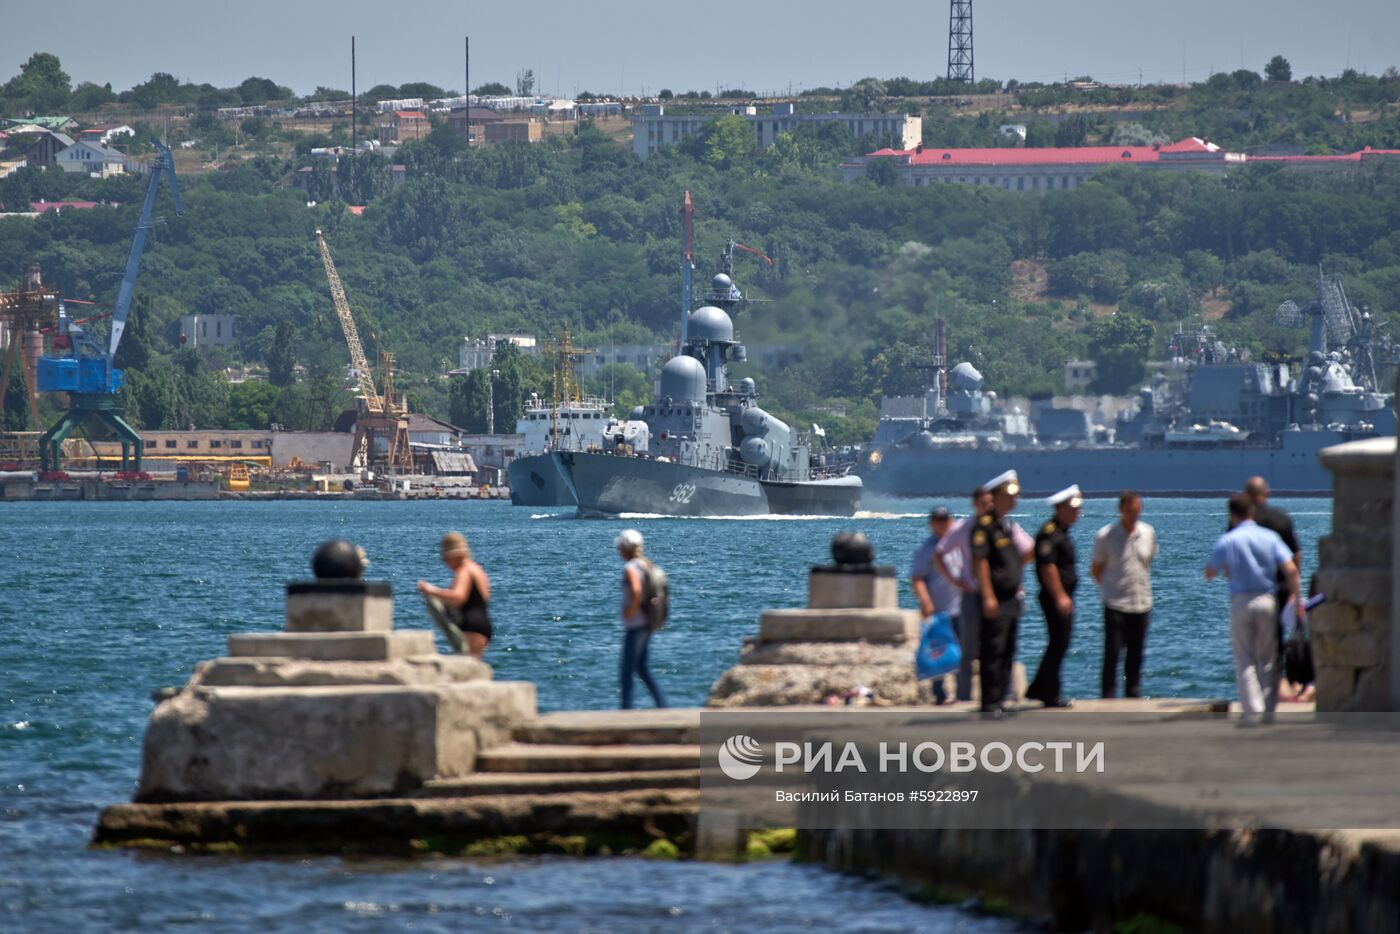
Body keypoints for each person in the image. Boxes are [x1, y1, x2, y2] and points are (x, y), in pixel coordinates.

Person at [1205, 494, 1303, 722]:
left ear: (1232, 514)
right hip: (1267, 600)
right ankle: (1268, 710)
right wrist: (1297, 599)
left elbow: (1210, 571)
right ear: (1252, 512)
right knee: (1268, 658)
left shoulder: (1229, 539)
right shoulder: (1269, 537)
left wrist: (1227, 571)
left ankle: (1253, 711)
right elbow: (1290, 569)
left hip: (1241, 600)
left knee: (1245, 659)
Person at [970, 470, 1030, 715]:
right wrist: (987, 595)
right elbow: (980, 561)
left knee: (1007, 649)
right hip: (995, 597)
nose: (1014, 500)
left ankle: (1002, 697)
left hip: (1010, 596)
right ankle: (990, 701)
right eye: (1008, 495)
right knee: (992, 649)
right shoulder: (984, 527)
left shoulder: (1006, 525)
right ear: (995, 497)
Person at [1091, 491, 1157, 698]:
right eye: (1129, 511)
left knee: (1136, 656)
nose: (1133, 515)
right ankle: (1108, 697)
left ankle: (1133, 694)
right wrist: (1110, 589)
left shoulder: (1148, 533)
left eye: (1137, 510)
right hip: (1116, 604)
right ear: (1120, 510)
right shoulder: (1106, 536)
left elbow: (1148, 561)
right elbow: (1096, 569)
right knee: (1112, 654)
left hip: (1141, 603)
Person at [1026, 484, 1083, 708]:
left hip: (1061, 595)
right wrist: (1060, 596)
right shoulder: (1050, 533)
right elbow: (1048, 567)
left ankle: (1037, 689)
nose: (1078, 512)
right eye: (1073, 508)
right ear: (1061, 509)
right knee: (1059, 643)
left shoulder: (1061, 532)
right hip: (1054, 597)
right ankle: (1050, 694)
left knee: (1059, 643)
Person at [935, 488, 992, 702]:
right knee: (966, 652)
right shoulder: (966, 527)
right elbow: (939, 555)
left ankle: (993, 695)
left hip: (987, 596)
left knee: (992, 648)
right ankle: (963, 696)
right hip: (966, 598)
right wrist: (956, 581)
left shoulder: (1003, 527)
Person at [417, 531, 492, 658]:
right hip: (482, 625)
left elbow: (458, 596)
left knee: (467, 671)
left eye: (446, 559)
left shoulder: (464, 571)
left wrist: (430, 590)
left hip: (471, 628)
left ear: (453, 556)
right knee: (474, 670)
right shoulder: (478, 569)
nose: (446, 563)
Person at [911, 506, 959, 703]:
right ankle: (939, 694)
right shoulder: (927, 549)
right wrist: (925, 602)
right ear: (932, 523)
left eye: (945, 520)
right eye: (938, 520)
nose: (942, 524)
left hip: (961, 607)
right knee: (938, 651)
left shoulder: (959, 545)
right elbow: (917, 578)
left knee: (963, 651)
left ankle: (963, 693)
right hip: (939, 609)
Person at [616, 529, 666, 710]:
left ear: (625, 548)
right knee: (643, 669)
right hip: (648, 622)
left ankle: (625, 712)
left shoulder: (630, 567)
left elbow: (636, 591)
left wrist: (630, 610)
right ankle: (663, 706)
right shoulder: (646, 564)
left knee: (626, 672)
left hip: (636, 624)